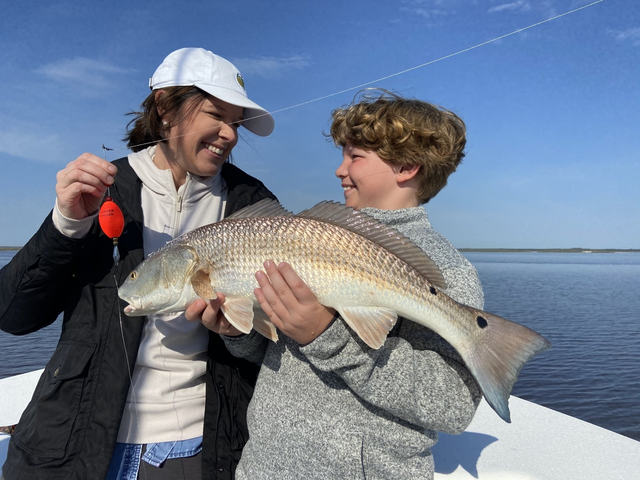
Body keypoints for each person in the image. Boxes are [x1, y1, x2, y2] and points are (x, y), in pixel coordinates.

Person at [0, 47, 275, 480]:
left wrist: (240, 333)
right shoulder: (101, 190)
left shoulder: (254, 205)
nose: (230, 134)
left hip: (201, 445)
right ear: (165, 108)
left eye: (236, 122)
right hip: (74, 441)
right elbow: (13, 315)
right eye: (216, 115)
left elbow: (271, 339)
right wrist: (65, 224)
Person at [205, 90, 485, 479]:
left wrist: (326, 334)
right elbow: (278, 356)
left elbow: (452, 404)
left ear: (406, 166)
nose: (339, 170)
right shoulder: (305, 238)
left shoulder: (445, 269)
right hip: (262, 468)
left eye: (355, 157)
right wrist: (236, 332)